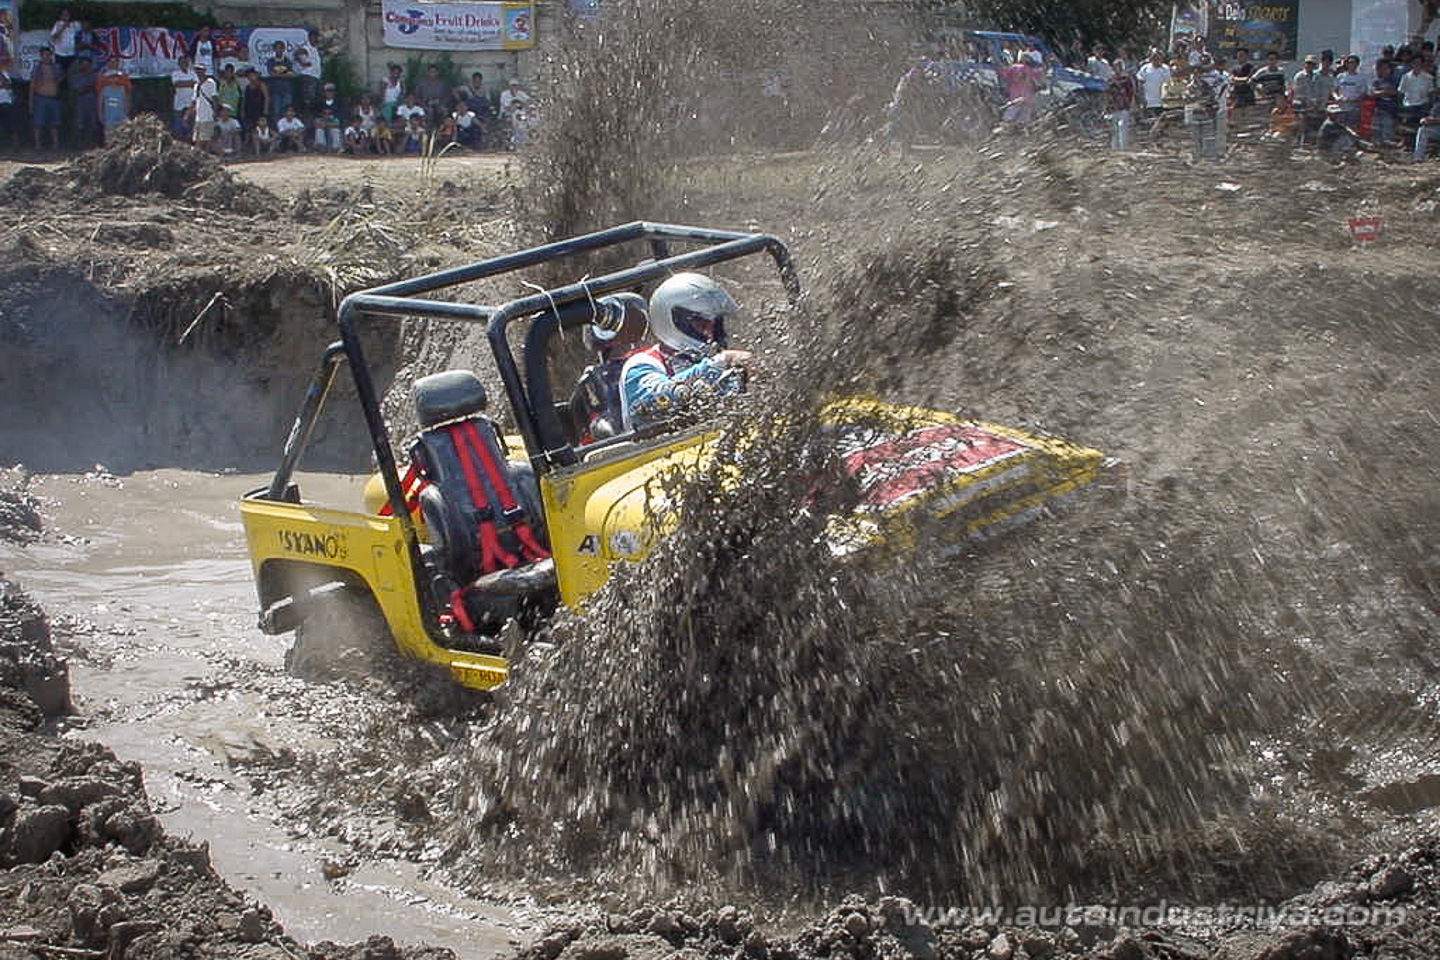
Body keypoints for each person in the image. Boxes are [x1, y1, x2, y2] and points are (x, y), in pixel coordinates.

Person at [620, 273, 754, 431]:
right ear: (674, 320)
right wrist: (721, 362)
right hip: (665, 445)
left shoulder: (718, 362)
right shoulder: (642, 363)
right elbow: (649, 404)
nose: (710, 333)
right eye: (701, 324)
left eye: (716, 325)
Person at [1290, 54, 1334, 144]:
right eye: (1308, 63)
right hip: (1302, 106)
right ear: (1305, 64)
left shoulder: (1317, 77)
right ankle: (1299, 143)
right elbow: (1299, 93)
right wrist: (1310, 104)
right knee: (1302, 127)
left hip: (1314, 107)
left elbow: (1319, 91)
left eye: (1312, 64)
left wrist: (1318, 103)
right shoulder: (1299, 76)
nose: (1309, 66)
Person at [29, 47, 63, 150]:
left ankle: (56, 144)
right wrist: (31, 101)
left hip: (53, 98)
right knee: (38, 123)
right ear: (41, 56)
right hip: (40, 98)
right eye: (45, 55)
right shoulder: (37, 69)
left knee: (54, 123)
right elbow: (32, 85)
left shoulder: (56, 68)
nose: (47, 57)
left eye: (49, 54)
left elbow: (59, 82)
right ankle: (38, 144)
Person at [96, 55, 131, 144]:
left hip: (121, 114)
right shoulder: (103, 84)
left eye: (115, 61)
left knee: (122, 135)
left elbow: (127, 97)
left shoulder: (122, 83)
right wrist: (100, 114)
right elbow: (100, 100)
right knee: (109, 136)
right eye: (111, 61)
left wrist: (127, 111)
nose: (113, 79)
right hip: (109, 114)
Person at [68, 54, 97, 148]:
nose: (86, 67)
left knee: (93, 124)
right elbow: (78, 90)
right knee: (79, 124)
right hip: (80, 104)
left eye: (87, 65)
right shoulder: (76, 77)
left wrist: (87, 88)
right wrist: (89, 87)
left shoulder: (94, 76)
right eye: (83, 64)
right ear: (80, 65)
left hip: (93, 104)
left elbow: (96, 87)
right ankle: (79, 144)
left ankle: (91, 143)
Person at [1136, 50, 1171, 126]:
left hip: (1162, 100)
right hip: (1149, 100)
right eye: (1154, 57)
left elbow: (1168, 82)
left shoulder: (1165, 68)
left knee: (1162, 122)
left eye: (1158, 57)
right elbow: (1140, 81)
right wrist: (1141, 98)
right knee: (1151, 122)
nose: (1156, 59)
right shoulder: (1145, 68)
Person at [1370, 59, 1400, 145]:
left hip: (1390, 110)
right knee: (1376, 131)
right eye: (1381, 68)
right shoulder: (1377, 82)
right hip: (1378, 109)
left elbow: (1394, 92)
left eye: (1386, 68)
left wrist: (1381, 92)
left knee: (1387, 133)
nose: (1384, 70)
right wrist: (1383, 92)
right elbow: (1373, 93)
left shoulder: (1394, 80)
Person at [264, 40, 294, 121]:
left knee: (286, 111)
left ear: (284, 49)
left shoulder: (287, 61)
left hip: (287, 90)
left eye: (281, 48)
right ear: (274, 49)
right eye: (277, 48)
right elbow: (271, 74)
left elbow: (290, 75)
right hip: (275, 90)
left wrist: (278, 75)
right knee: (276, 111)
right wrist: (284, 75)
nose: (279, 50)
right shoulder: (271, 61)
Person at [192, 61, 218, 152]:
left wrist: (215, 112)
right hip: (199, 117)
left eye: (200, 69)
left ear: (204, 71)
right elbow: (194, 101)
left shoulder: (210, 83)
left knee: (205, 140)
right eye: (197, 70)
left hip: (208, 115)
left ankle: (205, 155)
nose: (198, 72)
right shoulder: (196, 85)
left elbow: (214, 98)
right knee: (197, 139)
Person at [170, 54, 198, 136]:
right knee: (178, 123)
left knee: (191, 122)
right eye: (182, 62)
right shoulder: (175, 73)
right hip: (179, 102)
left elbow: (196, 84)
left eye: (186, 62)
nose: (184, 64)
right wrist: (190, 83)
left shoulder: (192, 73)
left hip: (190, 102)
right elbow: (176, 84)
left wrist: (184, 83)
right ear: (179, 64)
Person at [241, 66, 268, 140]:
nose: (251, 77)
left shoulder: (261, 85)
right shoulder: (247, 87)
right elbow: (244, 100)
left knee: (259, 128)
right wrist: (242, 110)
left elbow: (266, 98)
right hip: (249, 110)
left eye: (252, 75)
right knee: (249, 128)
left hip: (259, 110)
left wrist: (265, 110)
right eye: (249, 76)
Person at [49, 8, 79, 72]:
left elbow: (82, 33)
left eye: (67, 14)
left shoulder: (75, 24)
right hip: (60, 54)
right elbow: (53, 38)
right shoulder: (57, 24)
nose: (66, 16)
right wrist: (62, 28)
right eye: (64, 15)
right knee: (59, 72)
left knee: (72, 73)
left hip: (72, 54)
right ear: (61, 16)